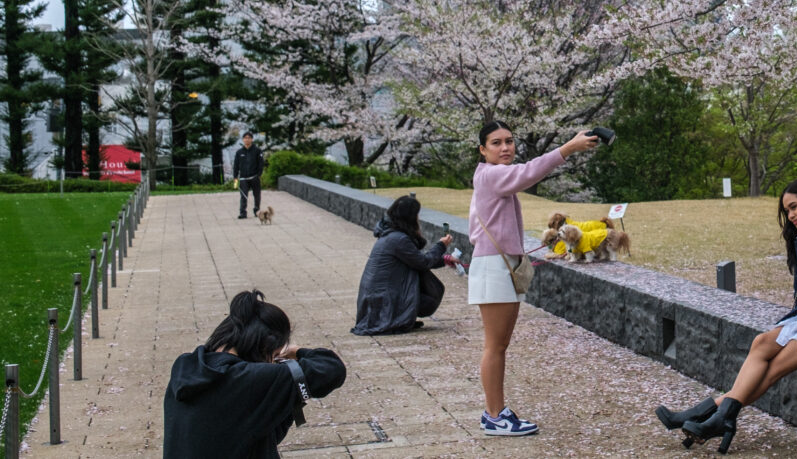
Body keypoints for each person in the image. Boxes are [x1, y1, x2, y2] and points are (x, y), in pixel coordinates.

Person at [655, 177, 797, 454]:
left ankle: (704, 417)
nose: (790, 216)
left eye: (794, 207)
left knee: (771, 370)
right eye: (786, 211)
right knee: (760, 343)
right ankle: (713, 418)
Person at [469, 120, 598, 436]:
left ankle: (496, 412)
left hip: (502, 265)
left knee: (499, 345)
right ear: (482, 150)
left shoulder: (493, 177)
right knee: (495, 346)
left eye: (509, 141)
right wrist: (566, 149)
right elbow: (526, 173)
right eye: (496, 143)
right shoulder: (491, 175)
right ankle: (494, 415)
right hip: (493, 267)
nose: (505, 148)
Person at [163, 289, 346, 458]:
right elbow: (331, 368)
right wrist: (295, 351)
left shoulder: (186, 366)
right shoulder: (250, 379)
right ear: (265, 346)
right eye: (274, 355)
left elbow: (259, 433)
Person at [351, 195, 454, 335]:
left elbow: (417, 259)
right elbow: (423, 262)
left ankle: (401, 316)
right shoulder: (398, 239)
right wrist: (441, 245)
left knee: (419, 275)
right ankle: (396, 318)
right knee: (428, 298)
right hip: (382, 303)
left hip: (376, 301)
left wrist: (445, 260)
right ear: (411, 218)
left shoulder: (390, 234)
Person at [233, 131, 265, 219]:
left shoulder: (257, 151)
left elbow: (261, 163)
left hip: (254, 177)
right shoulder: (239, 152)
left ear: (252, 139)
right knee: (243, 196)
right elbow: (236, 165)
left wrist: (259, 174)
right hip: (243, 178)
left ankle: (256, 211)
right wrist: (235, 177)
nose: (247, 139)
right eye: (245, 138)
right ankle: (243, 213)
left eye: (249, 138)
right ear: (243, 140)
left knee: (257, 195)